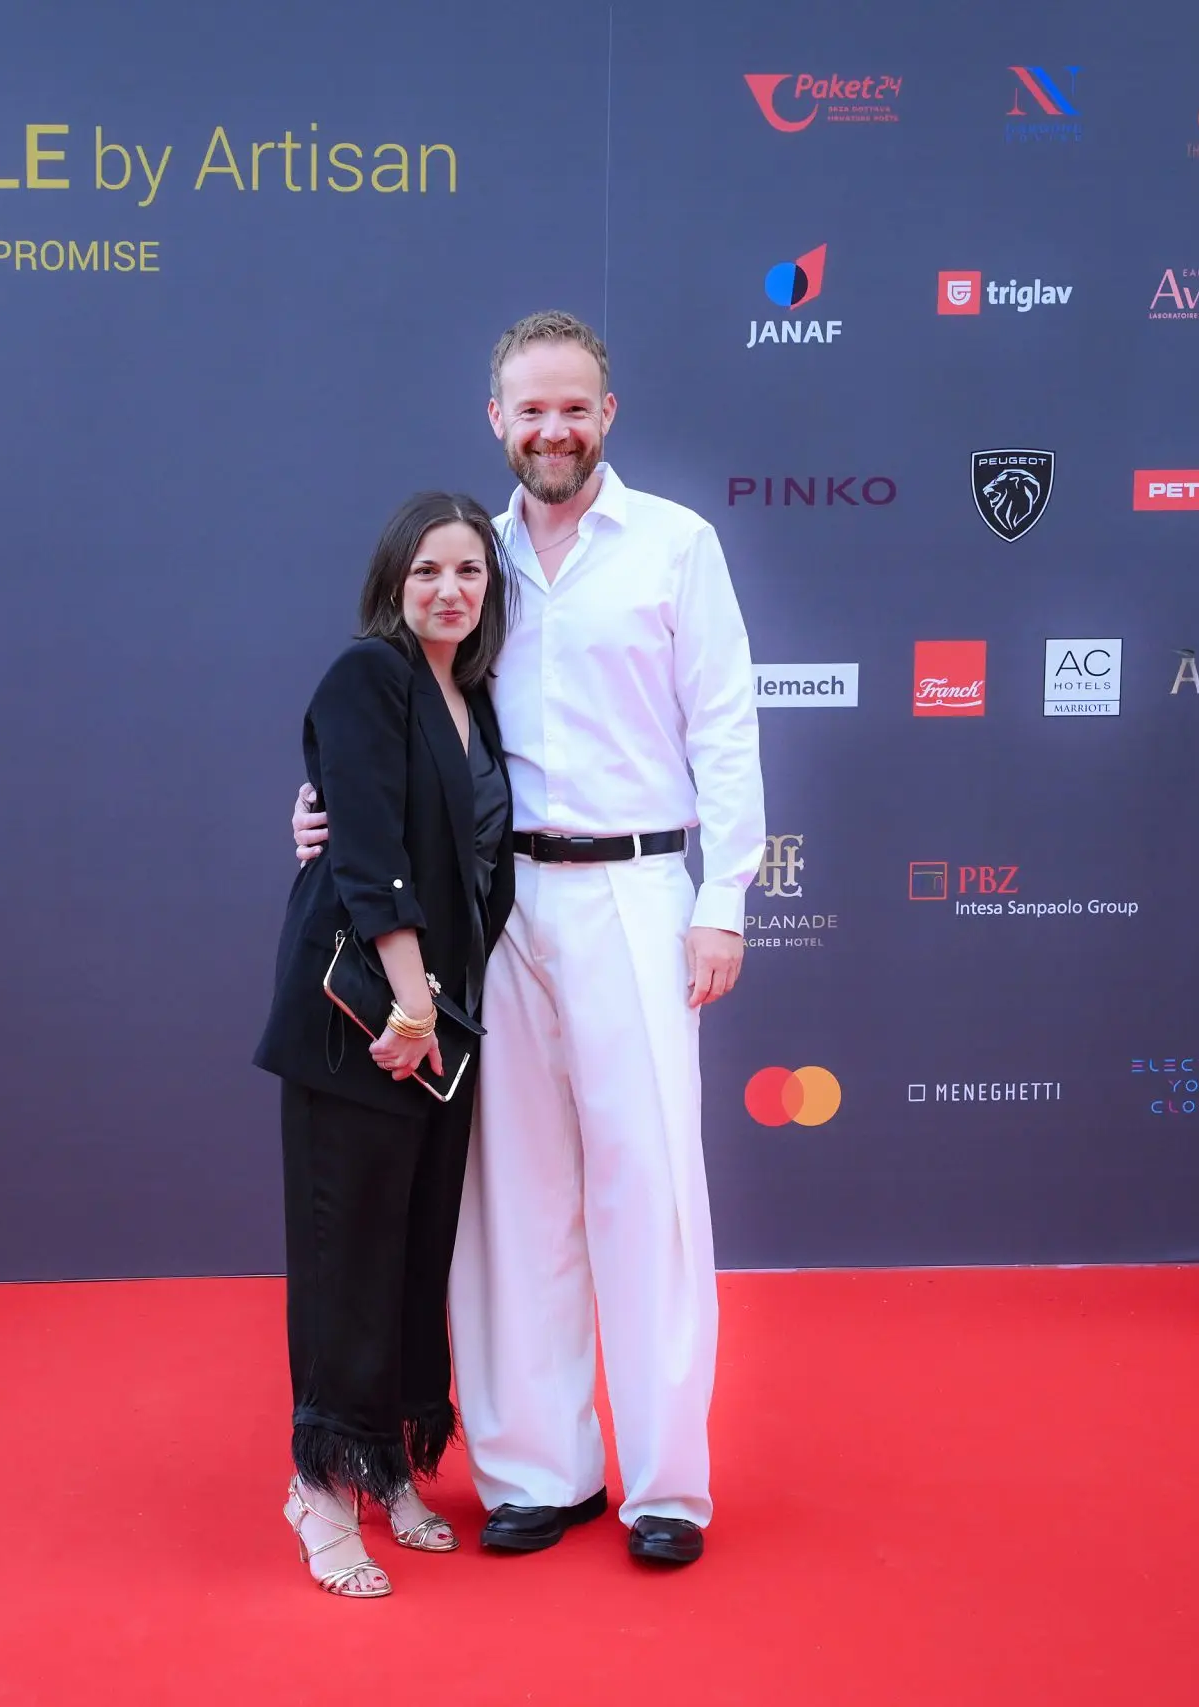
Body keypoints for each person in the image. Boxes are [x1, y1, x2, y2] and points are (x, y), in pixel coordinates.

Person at [295, 312, 763, 1567]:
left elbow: (725, 725)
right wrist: (321, 808)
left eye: (573, 408)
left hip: (636, 892)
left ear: (607, 415)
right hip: (493, 911)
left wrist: (722, 901)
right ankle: (539, 1472)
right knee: (512, 1198)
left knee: (648, 1192)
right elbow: (399, 710)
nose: (552, 430)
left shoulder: (675, 544)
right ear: (495, 419)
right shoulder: (472, 555)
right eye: (531, 410)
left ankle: (665, 1489)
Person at [254, 491, 516, 1599]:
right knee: (345, 1262)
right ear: (391, 584)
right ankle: (320, 1488)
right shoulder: (368, 677)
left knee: (412, 1258)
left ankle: (386, 1465)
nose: (449, 590)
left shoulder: (476, 700)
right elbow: (365, 852)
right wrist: (410, 1009)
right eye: (426, 572)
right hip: (363, 1022)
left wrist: (435, 1020)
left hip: (440, 1029)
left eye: (468, 571)